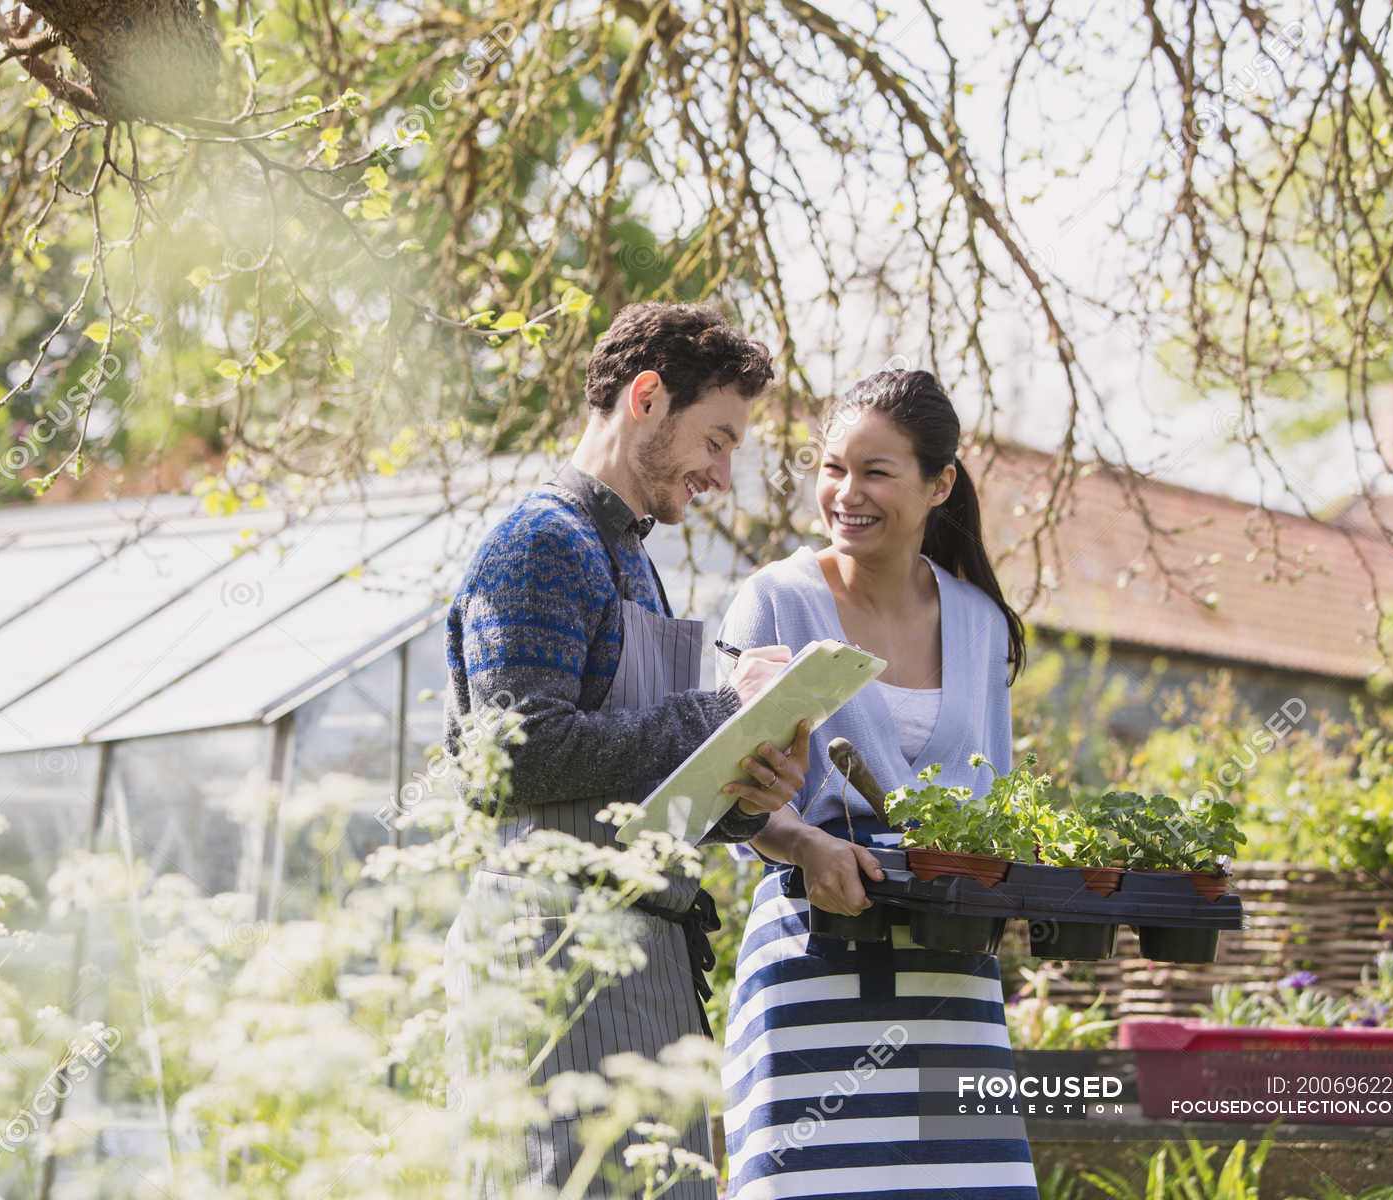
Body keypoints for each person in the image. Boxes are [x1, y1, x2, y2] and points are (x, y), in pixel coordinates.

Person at [443, 301, 816, 1199]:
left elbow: (643, 782)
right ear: (646, 397)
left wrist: (748, 788)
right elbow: (517, 754)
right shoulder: (541, 543)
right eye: (717, 440)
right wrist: (721, 708)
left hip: (643, 959)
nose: (724, 475)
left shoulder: (631, 560)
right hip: (552, 954)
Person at [717, 369, 1038, 1199]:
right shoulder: (775, 602)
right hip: (815, 955)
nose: (846, 493)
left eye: (876, 472)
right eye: (832, 468)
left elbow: (993, 808)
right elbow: (726, 787)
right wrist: (803, 841)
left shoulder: (980, 624)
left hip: (948, 978)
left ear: (939, 484)